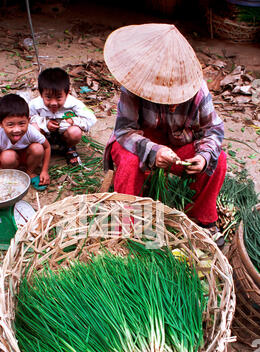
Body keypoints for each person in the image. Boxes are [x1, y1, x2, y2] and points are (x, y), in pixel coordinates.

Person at [103, 24, 227, 247]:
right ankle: (127, 225)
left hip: (178, 147)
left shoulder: (198, 91)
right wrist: (153, 150)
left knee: (218, 160)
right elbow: (124, 131)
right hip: (140, 147)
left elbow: (213, 131)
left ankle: (201, 219)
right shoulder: (134, 86)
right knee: (130, 162)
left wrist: (203, 157)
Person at [29, 67, 97, 166]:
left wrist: (73, 121)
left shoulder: (74, 103)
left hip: (64, 136)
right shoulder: (34, 104)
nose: (53, 103)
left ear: (67, 93)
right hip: (44, 137)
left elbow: (91, 119)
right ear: (40, 93)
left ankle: (69, 148)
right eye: (48, 97)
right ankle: (41, 149)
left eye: (58, 97)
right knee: (33, 128)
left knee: (75, 132)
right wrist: (44, 123)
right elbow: (26, 119)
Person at [0, 93, 51, 191]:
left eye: (22, 123)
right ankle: (15, 175)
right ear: (0, 124)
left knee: (38, 148)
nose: (17, 129)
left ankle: (30, 172)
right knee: (7, 157)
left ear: (28, 120)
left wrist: (44, 170)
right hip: (11, 160)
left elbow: (47, 147)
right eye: (10, 125)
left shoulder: (31, 131)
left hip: (27, 156)